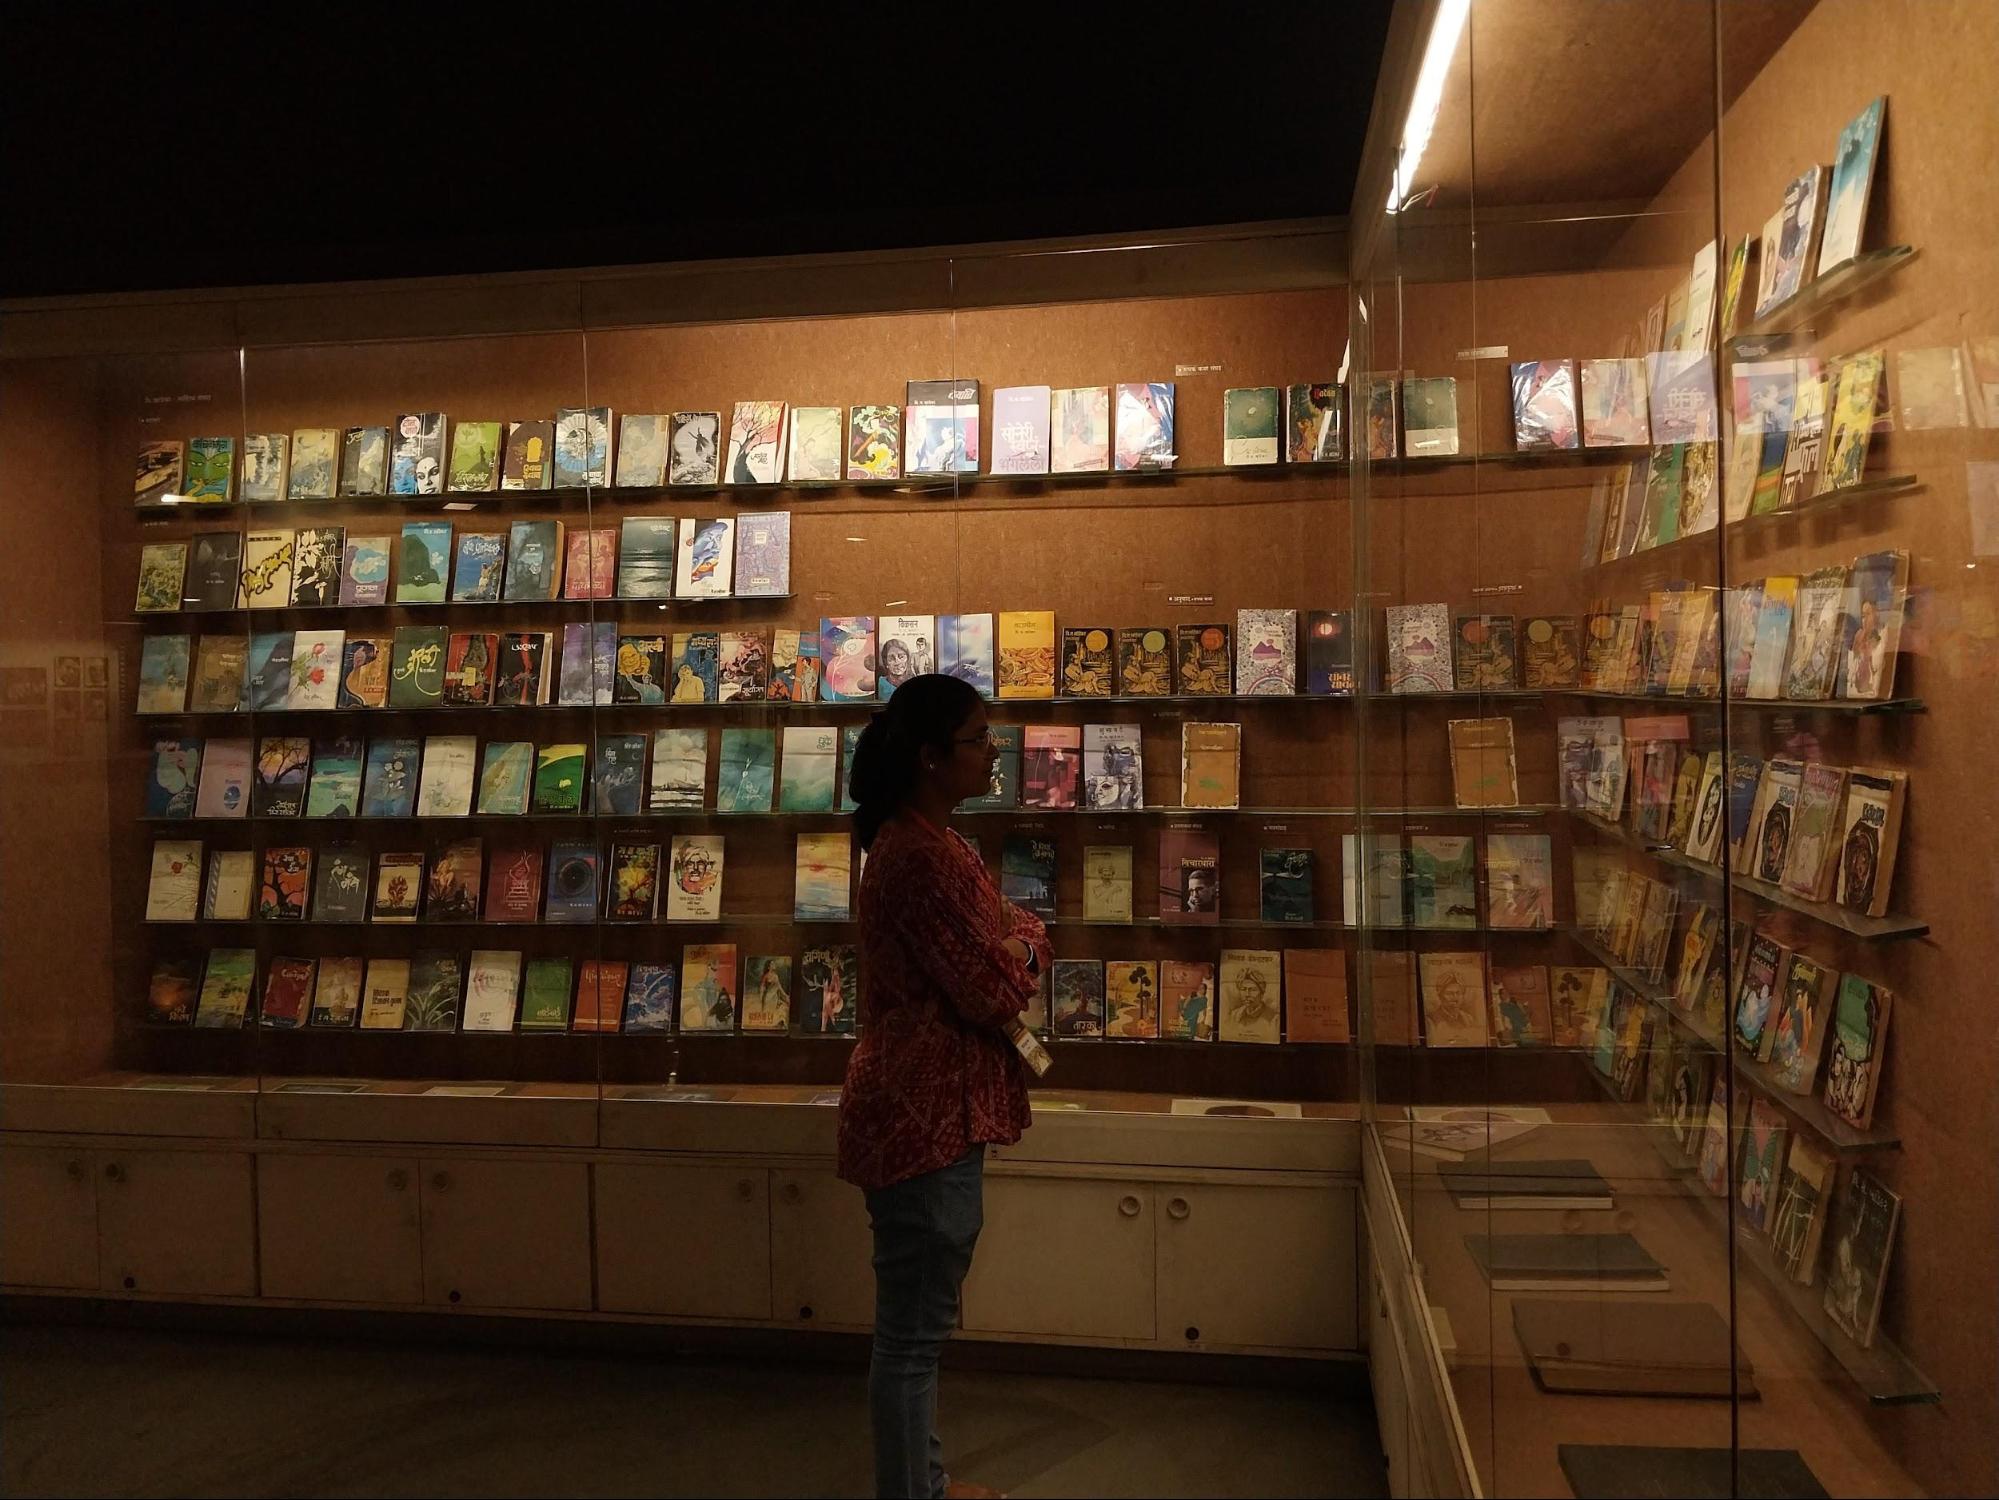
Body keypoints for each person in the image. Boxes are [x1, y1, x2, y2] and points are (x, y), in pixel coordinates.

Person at [838, 675, 1049, 1500]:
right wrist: (1021, 952)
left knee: (919, 1326)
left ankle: (922, 1481)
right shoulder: (920, 858)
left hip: (938, 1108)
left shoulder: (939, 843)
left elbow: (1014, 929)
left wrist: (1015, 944)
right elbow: (993, 985)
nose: (993, 751)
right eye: (977, 738)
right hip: (923, 1115)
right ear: (931, 757)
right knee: (912, 1336)